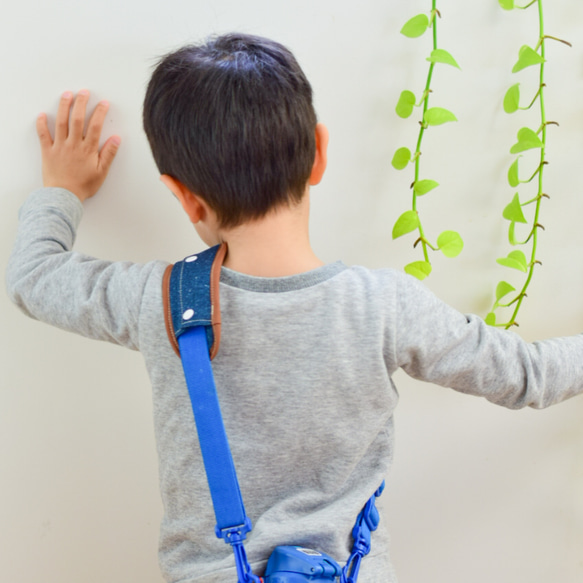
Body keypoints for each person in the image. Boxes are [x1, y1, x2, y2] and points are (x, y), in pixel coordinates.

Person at [6, 32, 583, 583]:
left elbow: (34, 277)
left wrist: (61, 190)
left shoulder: (157, 301)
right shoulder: (383, 305)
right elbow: (528, 374)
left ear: (183, 196)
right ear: (319, 154)